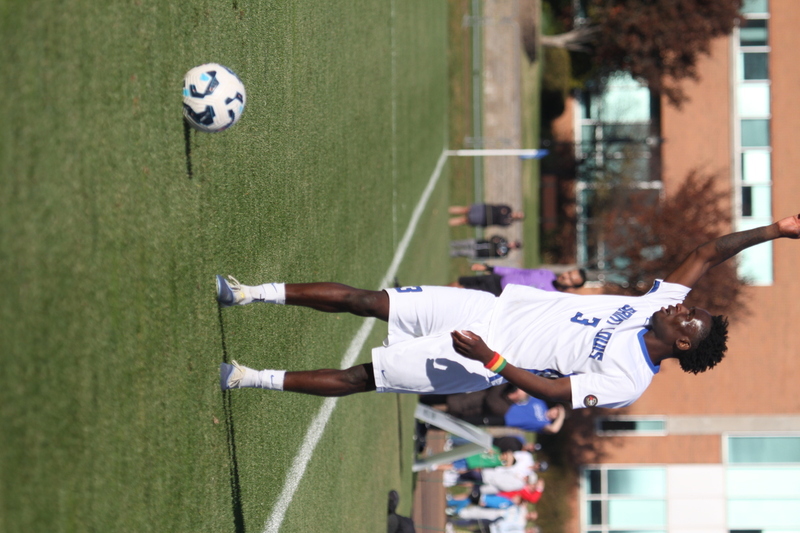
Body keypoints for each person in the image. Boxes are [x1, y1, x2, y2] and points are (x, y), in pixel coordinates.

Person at [216, 214, 800, 410]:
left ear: (680, 345)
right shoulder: (656, 304)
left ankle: (248, 377)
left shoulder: (628, 382)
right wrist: (776, 230)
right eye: (688, 308)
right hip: (483, 307)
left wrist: (491, 360)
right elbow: (708, 252)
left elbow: (553, 397)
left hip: (478, 360)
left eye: (688, 320)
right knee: (366, 300)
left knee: (360, 378)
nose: (683, 309)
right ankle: (249, 293)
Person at [420, 384, 566, 434]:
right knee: (465, 401)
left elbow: (553, 430)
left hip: (503, 418)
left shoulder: (543, 424)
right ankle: (426, 401)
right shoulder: (539, 403)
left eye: (556, 415)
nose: (554, 414)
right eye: (556, 411)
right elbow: (526, 391)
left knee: (465, 420)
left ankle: (428, 424)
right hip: (504, 401)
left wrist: (562, 415)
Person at [451, 265, 587, 297]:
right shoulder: (547, 273)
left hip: (497, 293)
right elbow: (518, 272)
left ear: (572, 287)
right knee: (459, 283)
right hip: (496, 279)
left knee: (461, 292)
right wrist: (490, 268)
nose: (565, 276)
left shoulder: (551, 296)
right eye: (569, 273)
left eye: (570, 279)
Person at [449, 203, 525, 227]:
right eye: (519, 213)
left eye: (518, 216)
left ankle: (448, 222)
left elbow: (499, 220)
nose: (517, 215)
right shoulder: (508, 208)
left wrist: (501, 214)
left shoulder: (508, 222)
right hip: (485, 209)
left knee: (465, 220)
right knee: (466, 209)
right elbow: (498, 208)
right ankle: (448, 210)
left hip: (484, 219)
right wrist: (501, 213)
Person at [450, 235, 522, 259]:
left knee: (463, 252)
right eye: (514, 243)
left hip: (481, 252)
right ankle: (451, 244)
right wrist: (495, 240)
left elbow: (496, 255)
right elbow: (493, 237)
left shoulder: (505, 253)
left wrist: (498, 252)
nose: (513, 245)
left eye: (515, 246)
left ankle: (451, 253)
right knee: (464, 243)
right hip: (480, 242)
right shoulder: (503, 240)